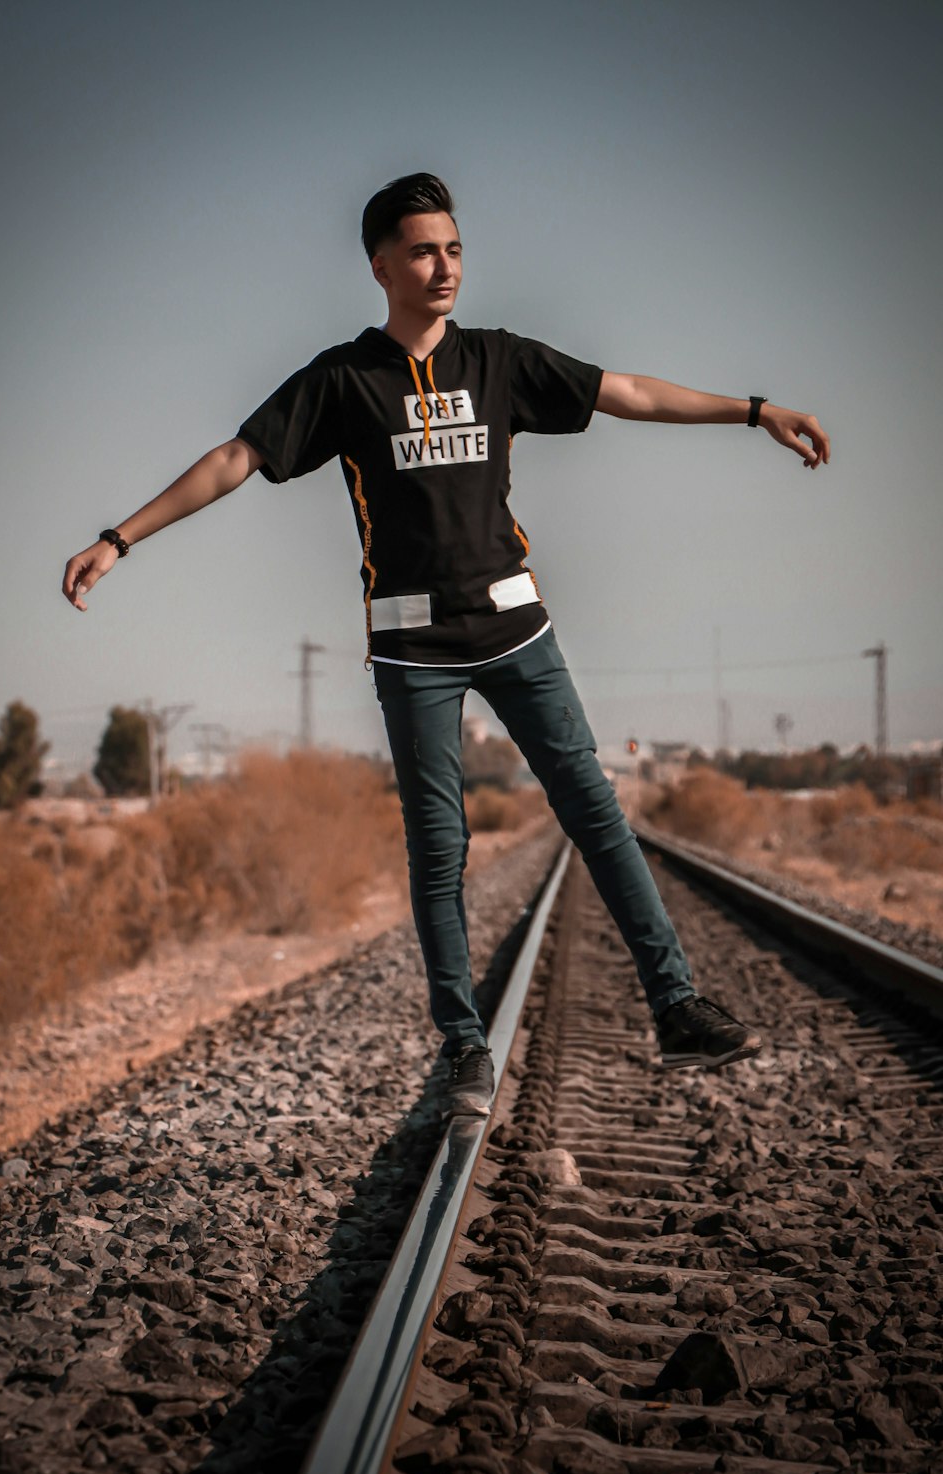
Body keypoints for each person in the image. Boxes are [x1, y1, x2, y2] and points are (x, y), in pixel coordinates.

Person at [63, 173, 830, 1116]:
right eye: (424, 251)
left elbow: (624, 390)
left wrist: (755, 412)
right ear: (380, 265)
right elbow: (237, 458)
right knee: (439, 846)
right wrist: (118, 538)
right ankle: (464, 1049)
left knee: (595, 809)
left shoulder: (500, 359)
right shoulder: (342, 380)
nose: (445, 268)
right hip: (411, 650)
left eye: (456, 249)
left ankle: (675, 1006)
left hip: (518, 628)